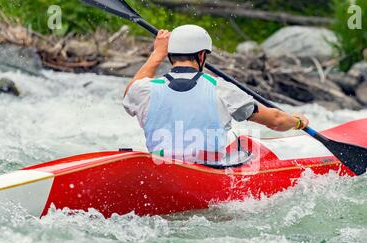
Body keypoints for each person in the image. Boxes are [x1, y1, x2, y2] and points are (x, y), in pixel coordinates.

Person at [123, 25, 309, 164]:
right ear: (202, 55)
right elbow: (276, 120)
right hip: (208, 176)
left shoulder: (145, 90)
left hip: (159, 171)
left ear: (169, 55)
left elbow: (130, 92)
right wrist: (298, 121)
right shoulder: (222, 89)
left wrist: (157, 53)